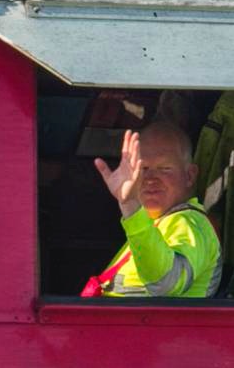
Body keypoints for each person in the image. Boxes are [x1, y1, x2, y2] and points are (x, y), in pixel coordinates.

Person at [82, 119, 223, 299]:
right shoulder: (155, 225)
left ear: (189, 176)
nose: (150, 179)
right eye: (143, 168)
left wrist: (130, 205)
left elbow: (165, 283)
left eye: (164, 169)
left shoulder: (188, 223)